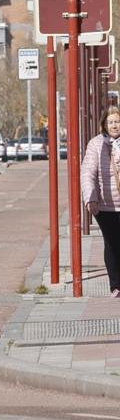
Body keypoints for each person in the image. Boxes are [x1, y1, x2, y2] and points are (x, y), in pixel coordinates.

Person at [81, 105, 120, 298]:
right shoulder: (96, 144)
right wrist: (91, 197)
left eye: (118, 121)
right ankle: (116, 285)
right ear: (104, 124)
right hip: (105, 204)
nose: (115, 125)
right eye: (111, 122)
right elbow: (88, 172)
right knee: (112, 242)